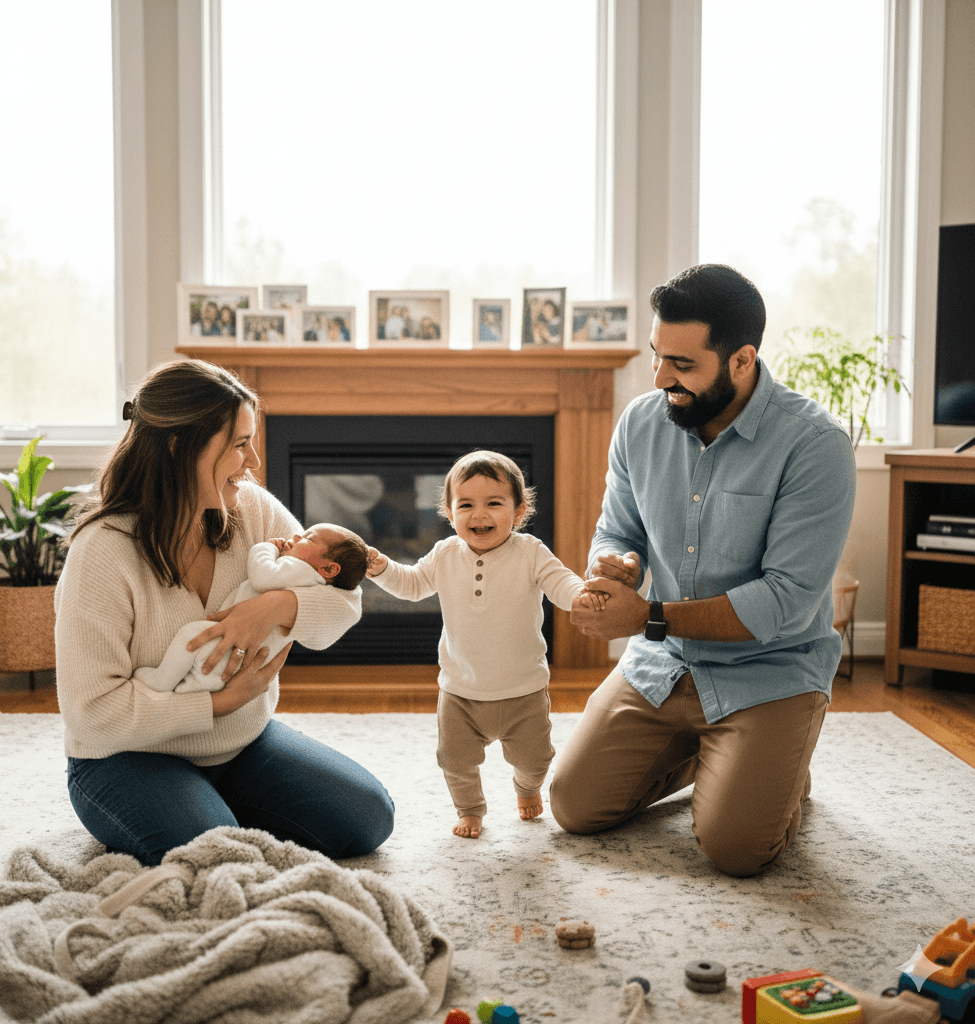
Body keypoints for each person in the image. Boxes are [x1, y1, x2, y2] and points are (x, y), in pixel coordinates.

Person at [549, 264, 857, 877]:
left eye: (682, 365)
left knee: (736, 851)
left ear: (742, 360)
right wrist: (615, 566)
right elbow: (617, 529)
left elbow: (786, 602)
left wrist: (647, 616)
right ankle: (718, 759)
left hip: (769, 672)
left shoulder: (814, 444)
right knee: (572, 807)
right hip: (665, 667)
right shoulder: (641, 421)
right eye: (659, 356)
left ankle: (776, 762)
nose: (661, 377)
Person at [55, 359, 394, 866]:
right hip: (126, 758)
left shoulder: (251, 510)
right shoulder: (102, 551)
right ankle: (189, 812)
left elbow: (345, 597)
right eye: (239, 444)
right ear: (179, 447)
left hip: (240, 745)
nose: (253, 459)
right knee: (224, 859)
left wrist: (277, 605)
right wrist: (217, 703)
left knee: (370, 815)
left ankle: (205, 807)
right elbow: (93, 711)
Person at [365, 450, 605, 839]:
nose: (480, 514)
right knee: (454, 760)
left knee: (536, 759)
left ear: (519, 510)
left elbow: (562, 582)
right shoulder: (444, 554)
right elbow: (411, 585)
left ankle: (526, 788)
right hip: (461, 690)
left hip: (522, 690)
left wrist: (581, 596)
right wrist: (381, 569)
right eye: (466, 505)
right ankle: (471, 809)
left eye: (494, 503)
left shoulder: (529, 552)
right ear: (449, 511)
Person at [136, 524, 369, 694]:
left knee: (191, 634)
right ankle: (198, 686)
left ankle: (161, 681)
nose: (297, 535)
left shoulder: (298, 569)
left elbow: (263, 577)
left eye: (309, 538)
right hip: (246, 661)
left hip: (228, 646)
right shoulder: (314, 581)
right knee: (208, 665)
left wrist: (265, 548)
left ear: (329, 570)